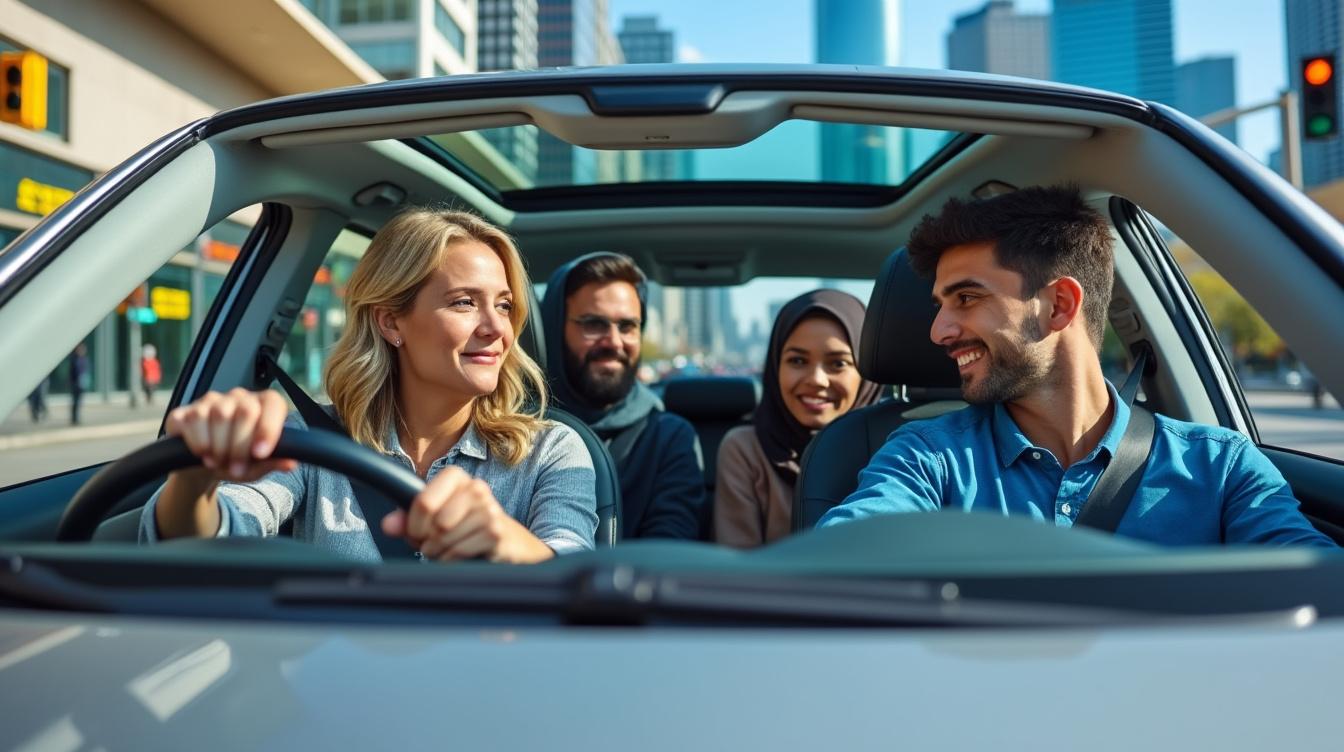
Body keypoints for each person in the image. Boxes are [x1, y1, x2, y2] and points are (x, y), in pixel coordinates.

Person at [819, 185, 1336, 547]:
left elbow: (1320, 596)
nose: (938, 331)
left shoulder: (1221, 468)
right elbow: (837, 559)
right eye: (939, 305)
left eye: (967, 298)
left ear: (1060, 305)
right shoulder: (927, 460)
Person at [141, 208, 598, 562]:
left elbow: (577, 572)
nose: (495, 328)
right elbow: (210, 539)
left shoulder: (551, 450)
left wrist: (511, 544)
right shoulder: (311, 444)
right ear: (390, 322)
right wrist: (194, 476)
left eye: (503, 305)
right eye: (464, 303)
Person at [541, 252, 706, 539]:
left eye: (628, 327)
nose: (614, 342)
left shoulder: (669, 438)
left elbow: (668, 552)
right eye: (593, 324)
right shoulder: (513, 432)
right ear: (554, 330)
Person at [715, 290, 881, 547]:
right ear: (775, 365)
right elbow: (738, 569)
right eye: (798, 360)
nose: (816, 379)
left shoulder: (895, 449)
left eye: (838, 364)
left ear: (865, 374)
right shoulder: (746, 450)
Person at [68, 343, 89, 425]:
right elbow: (71, 373)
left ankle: (76, 418)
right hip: (75, 384)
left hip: (82, 383)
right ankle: (74, 419)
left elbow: (85, 372)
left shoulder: (84, 359)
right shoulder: (74, 360)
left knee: (79, 402)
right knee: (75, 402)